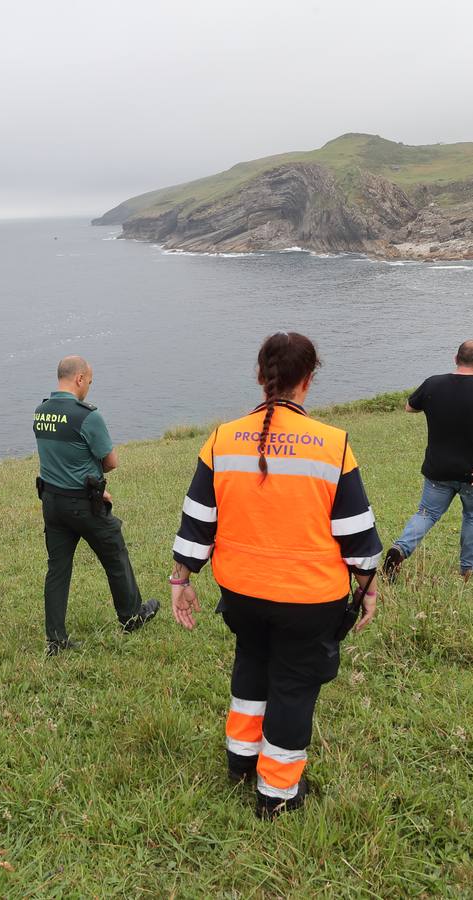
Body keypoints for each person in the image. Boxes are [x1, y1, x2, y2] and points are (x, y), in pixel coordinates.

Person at [169, 332, 382, 820]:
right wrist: (369, 589)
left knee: (252, 664)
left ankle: (241, 762)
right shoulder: (332, 445)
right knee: (293, 684)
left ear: (260, 377)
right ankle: (278, 793)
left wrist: (181, 581)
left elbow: (197, 519)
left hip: (241, 594)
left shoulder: (222, 438)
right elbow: (357, 536)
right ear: (309, 379)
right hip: (309, 599)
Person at [32, 355, 158, 656]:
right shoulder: (87, 416)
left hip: (51, 502)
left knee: (58, 569)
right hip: (84, 504)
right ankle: (131, 617)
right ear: (79, 379)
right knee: (115, 554)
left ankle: (56, 639)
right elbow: (110, 462)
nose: (89, 386)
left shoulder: (40, 412)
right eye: (89, 380)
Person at [381, 340, 473, 582]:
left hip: (438, 469)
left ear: (455, 359)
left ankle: (399, 550)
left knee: (426, 514)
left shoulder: (433, 384)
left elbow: (410, 407)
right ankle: (468, 568)